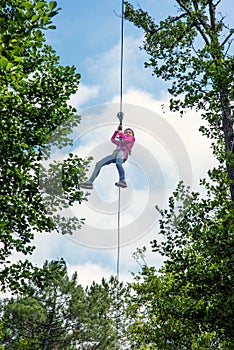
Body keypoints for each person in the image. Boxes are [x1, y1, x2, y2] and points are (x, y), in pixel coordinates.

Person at [81, 125, 135, 189]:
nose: (128, 133)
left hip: (123, 153)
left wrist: (121, 133)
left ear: (132, 135)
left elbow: (126, 140)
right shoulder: (121, 142)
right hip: (115, 154)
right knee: (99, 164)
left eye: (129, 132)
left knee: (118, 164)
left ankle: (122, 180)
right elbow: (112, 139)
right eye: (126, 132)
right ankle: (90, 182)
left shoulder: (132, 139)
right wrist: (116, 132)